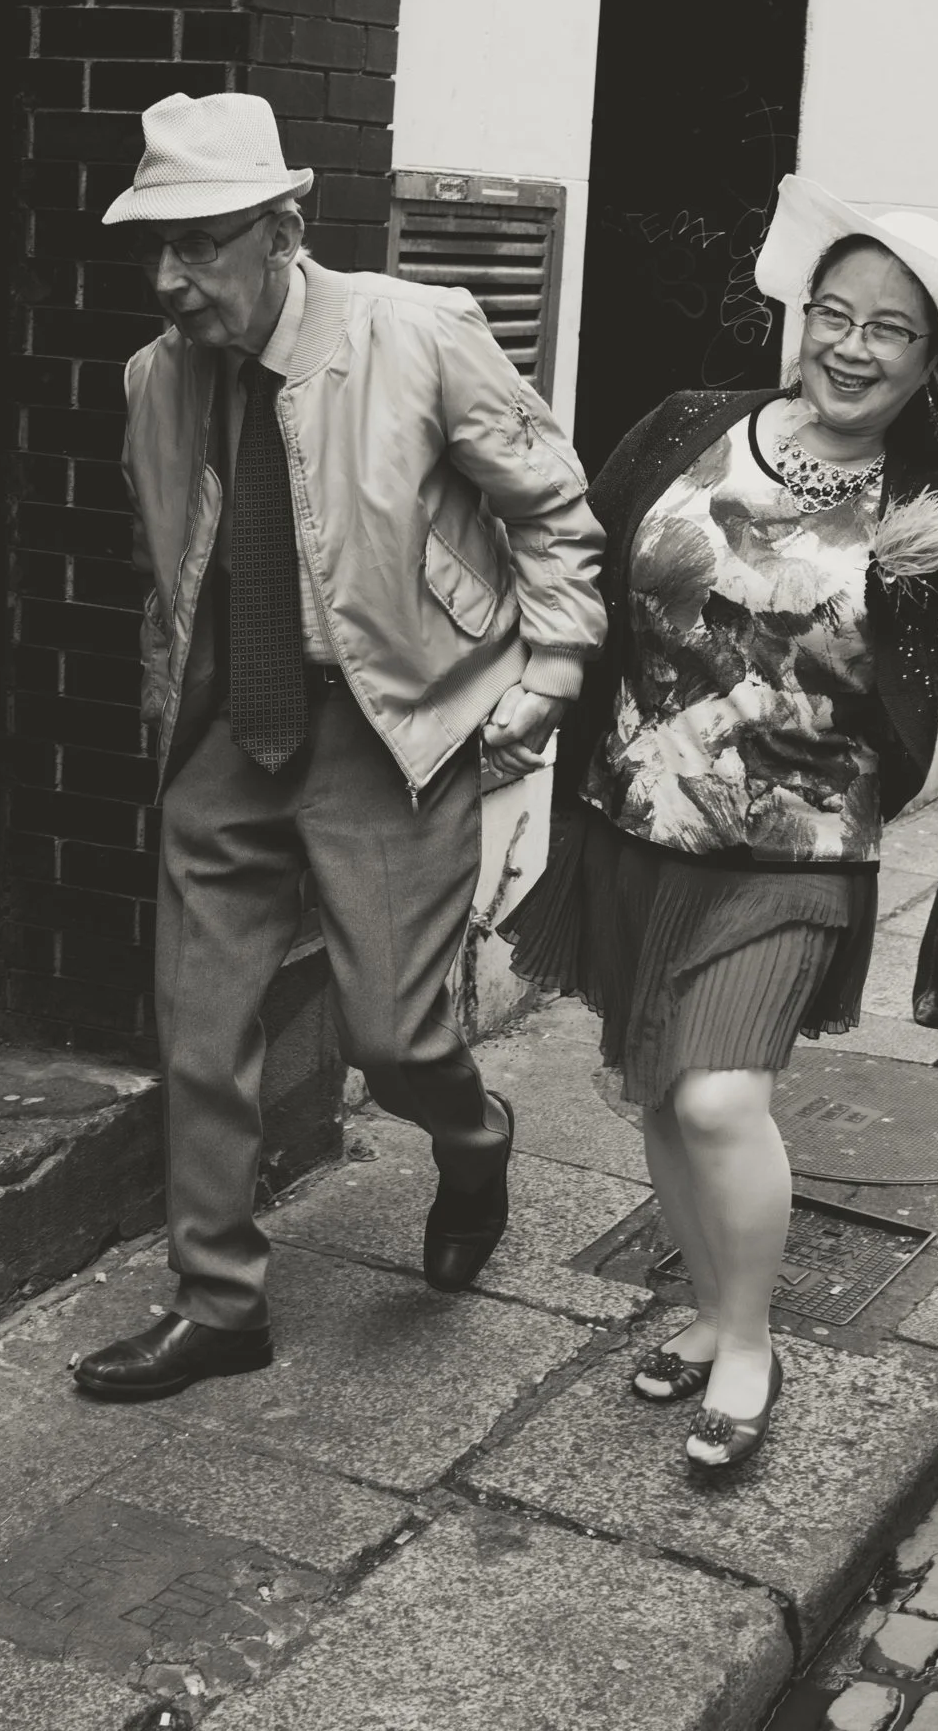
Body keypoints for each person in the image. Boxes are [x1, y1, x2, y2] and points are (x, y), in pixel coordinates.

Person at [501, 174, 938, 1478]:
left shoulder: (921, 503)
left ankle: (752, 1344)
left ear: (926, 356)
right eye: (836, 310)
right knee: (656, 1094)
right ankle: (707, 1315)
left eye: (889, 327)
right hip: (632, 823)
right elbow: (580, 569)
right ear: (804, 312)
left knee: (719, 1097)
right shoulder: (687, 426)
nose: (851, 343)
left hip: (796, 853)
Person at [75, 92, 606, 1401]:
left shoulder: (416, 333)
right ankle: (221, 1307)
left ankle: (473, 1138)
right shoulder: (156, 378)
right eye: (158, 246)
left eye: (197, 244)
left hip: (389, 728)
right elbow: (173, 573)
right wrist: (169, 717)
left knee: (395, 1036)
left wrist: (545, 674)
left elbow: (554, 514)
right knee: (198, 1033)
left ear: (283, 231)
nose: (170, 278)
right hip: (224, 739)